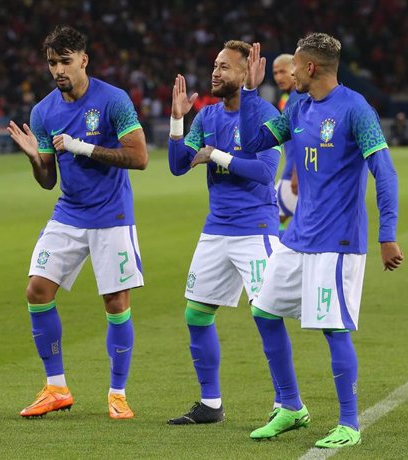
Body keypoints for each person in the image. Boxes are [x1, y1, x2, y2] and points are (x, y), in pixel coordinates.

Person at [239, 34, 403, 448]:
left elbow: (384, 173)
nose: (289, 72)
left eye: (294, 65)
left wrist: (387, 235)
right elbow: (253, 141)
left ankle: (349, 424)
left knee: (333, 328)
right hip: (297, 237)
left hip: (338, 240)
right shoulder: (298, 105)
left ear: (311, 68)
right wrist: (248, 93)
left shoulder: (355, 110)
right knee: (263, 310)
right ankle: (291, 407)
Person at [6, 25, 148, 420]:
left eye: (65, 61)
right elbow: (49, 180)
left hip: (112, 215)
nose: (58, 70)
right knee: (36, 289)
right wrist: (35, 157)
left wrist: (84, 147)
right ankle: (56, 387)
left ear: (83, 60)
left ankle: (117, 394)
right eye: (52, 63)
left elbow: (139, 158)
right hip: (69, 212)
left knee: (115, 302)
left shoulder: (113, 100)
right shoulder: (44, 111)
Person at [166, 40, 284, 425]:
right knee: (196, 315)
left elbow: (266, 173)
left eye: (224, 67)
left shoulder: (266, 114)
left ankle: (286, 403)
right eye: (214, 66)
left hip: (256, 230)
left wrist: (216, 155)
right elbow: (179, 166)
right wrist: (177, 122)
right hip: (216, 230)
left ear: (245, 73)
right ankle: (211, 404)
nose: (215, 73)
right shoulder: (208, 117)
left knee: (266, 315)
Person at [272, 54, 308, 239]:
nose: (278, 77)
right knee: (270, 220)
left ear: (294, 70)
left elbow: (304, 137)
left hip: (294, 177)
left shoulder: (297, 98)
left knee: (265, 222)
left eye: (282, 71)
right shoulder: (293, 97)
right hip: (295, 174)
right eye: (275, 73)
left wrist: (296, 172)